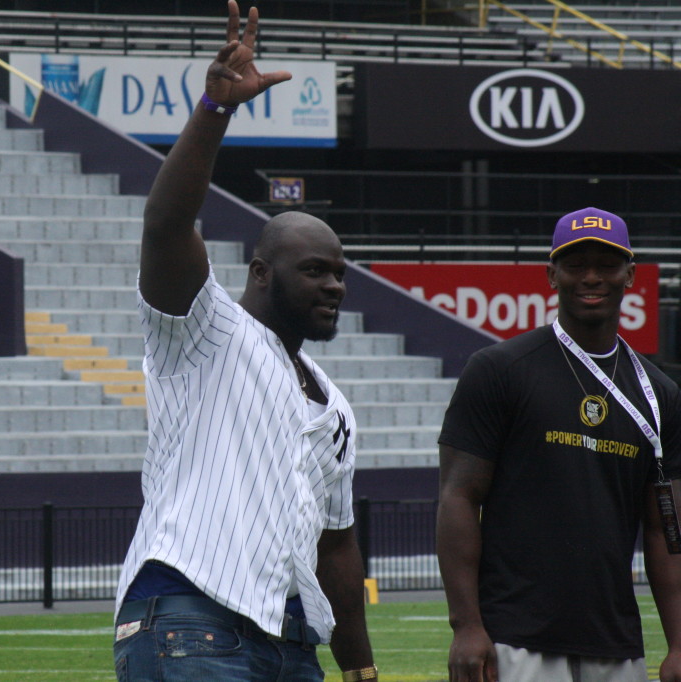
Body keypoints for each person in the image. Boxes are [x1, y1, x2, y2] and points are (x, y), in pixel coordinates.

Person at [112, 3, 377, 680]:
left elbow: (338, 548)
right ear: (260, 273)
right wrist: (214, 109)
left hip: (292, 640)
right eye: (314, 271)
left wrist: (361, 668)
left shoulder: (335, 402)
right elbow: (167, 224)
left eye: (341, 274)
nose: (334, 286)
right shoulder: (208, 331)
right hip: (191, 615)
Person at [436, 207, 681, 682]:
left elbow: (665, 531)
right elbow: (458, 496)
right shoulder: (499, 369)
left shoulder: (659, 394)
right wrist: (466, 626)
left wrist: (679, 643)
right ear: (552, 274)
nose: (591, 277)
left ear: (630, 274)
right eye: (575, 264)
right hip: (515, 638)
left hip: (615, 643)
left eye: (607, 265)